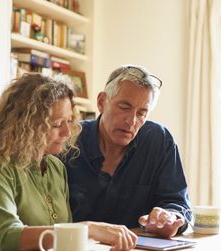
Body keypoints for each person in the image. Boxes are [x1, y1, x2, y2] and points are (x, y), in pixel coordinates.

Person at [0, 74, 137, 251]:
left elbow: (61, 234)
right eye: (57, 124)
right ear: (26, 125)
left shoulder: (55, 167)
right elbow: (9, 237)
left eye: (69, 121)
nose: (67, 132)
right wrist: (88, 229)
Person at [63, 65, 191, 238]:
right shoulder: (68, 139)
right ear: (101, 102)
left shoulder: (159, 141)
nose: (131, 121)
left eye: (141, 113)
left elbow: (177, 203)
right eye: (124, 107)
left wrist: (169, 218)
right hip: (74, 250)